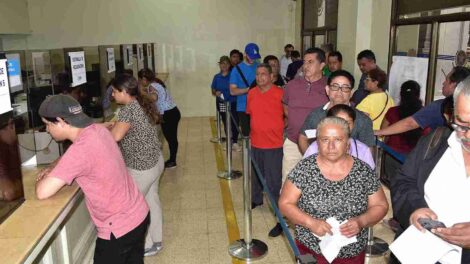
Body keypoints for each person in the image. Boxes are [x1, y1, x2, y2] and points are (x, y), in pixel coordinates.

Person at [35, 94, 149, 264]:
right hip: (138, 215)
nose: (47, 130)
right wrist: (54, 165)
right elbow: (74, 155)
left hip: (118, 229)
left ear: (60, 121)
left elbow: (42, 192)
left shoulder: (80, 151)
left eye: (47, 124)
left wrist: (42, 178)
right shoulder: (97, 130)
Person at [279, 116, 388, 264]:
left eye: (337, 139)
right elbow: (285, 203)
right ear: (317, 143)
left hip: (352, 252)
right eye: (325, 140)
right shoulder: (304, 169)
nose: (331, 146)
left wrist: (361, 221)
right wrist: (311, 222)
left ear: (347, 144)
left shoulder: (363, 171)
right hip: (311, 250)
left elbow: (381, 205)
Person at [391, 76, 470, 263]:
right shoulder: (436, 142)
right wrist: (414, 210)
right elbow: (404, 181)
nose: (466, 135)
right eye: (461, 124)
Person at [106, 74, 165, 257]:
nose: (113, 95)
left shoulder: (127, 110)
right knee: (151, 200)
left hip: (142, 168)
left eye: (115, 92)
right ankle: (156, 240)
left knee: (134, 208)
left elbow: (115, 136)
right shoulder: (139, 104)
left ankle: (144, 244)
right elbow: (124, 127)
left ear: (124, 92)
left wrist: (97, 134)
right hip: (155, 161)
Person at [375, 66, 470, 137]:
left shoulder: (440, 106)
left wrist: (379, 132)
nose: (443, 83)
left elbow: (410, 123)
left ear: (453, 84)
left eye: (446, 79)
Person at [246, 63, 284, 237]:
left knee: (274, 179)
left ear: (271, 76)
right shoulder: (252, 93)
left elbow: (288, 115)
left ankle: (278, 209)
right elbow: (250, 115)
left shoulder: (280, 93)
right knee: (255, 174)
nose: (260, 77)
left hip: (274, 144)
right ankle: (256, 199)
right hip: (256, 142)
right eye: (257, 74)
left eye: (263, 74)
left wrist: (283, 131)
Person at [298, 70, 375, 155]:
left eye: (345, 87)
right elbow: (303, 138)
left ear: (351, 93)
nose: (339, 91)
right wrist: (313, 162)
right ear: (327, 90)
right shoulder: (316, 114)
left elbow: (368, 151)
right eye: (335, 86)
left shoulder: (362, 120)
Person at [282, 47, 329, 183]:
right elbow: (285, 105)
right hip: (293, 142)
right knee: (288, 182)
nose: (305, 66)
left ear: (321, 65)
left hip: (318, 146)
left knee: (315, 182)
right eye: (304, 62)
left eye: (310, 62)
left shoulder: (329, 86)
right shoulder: (291, 85)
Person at [303, 104, 375, 169]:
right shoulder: (315, 147)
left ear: (353, 124)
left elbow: (369, 174)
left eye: (348, 122)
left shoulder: (362, 149)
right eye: (339, 121)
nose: (344, 126)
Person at [380, 80, 424, 187]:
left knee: (392, 187)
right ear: (418, 95)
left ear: (401, 94)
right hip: (414, 157)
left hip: (392, 154)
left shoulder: (393, 111)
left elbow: (383, 130)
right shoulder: (424, 113)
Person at [138, 68, 181, 169]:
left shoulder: (152, 86)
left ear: (144, 79)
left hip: (169, 114)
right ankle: (172, 159)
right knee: (172, 138)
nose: (140, 82)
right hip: (173, 112)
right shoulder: (156, 83)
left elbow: (154, 98)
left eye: (140, 80)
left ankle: (172, 161)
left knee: (171, 138)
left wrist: (142, 93)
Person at [229, 43, 260, 137]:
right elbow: (232, 91)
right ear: (245, 54)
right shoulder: (236, 70)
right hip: (244, 107)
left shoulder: (259, 66)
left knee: (258, 133)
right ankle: (247, 151)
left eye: (255, 57)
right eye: (251, 56)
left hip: (259, 105)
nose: (253, 59)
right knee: (247, 135)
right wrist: (248, 90)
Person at [211, 56, 240, 151]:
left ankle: (235, 142)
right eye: (222, 63)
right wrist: (216, 93)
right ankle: (229, 141)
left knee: (234, 122)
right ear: (219, 65)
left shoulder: (233, 75)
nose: (224, 65)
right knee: (225, 122)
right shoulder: (216, 77)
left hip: (233, 102)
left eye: (226, 63)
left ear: (229, 65)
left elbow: (237, 88)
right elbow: (213, 90)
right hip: (222, 103)